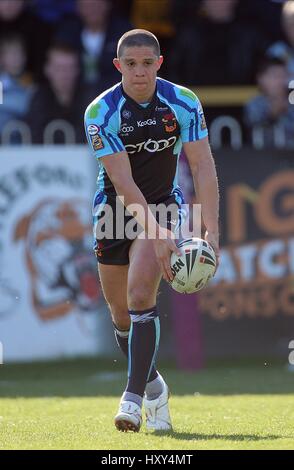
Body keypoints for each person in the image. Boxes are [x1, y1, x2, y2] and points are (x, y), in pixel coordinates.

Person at [84, 29, 219, 432]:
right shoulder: (100, 112)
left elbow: (202, 165)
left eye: (147, 63)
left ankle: (131, 400)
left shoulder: (183, 102)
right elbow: (123, 183)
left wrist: (211, 230)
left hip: (163, 205)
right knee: (120, 314)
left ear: (159, 63)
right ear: (118, 66)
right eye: (131, 64)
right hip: (114, 211)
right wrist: (154, 232)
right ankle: (156, 386)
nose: (139, 72)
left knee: (141, 294)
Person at [244, 57, 294, 149]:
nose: (280, 82)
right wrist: (273, 113)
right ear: (261, 79)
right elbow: (253, 121)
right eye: (275, 76)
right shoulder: (254, 104)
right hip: (263, 157)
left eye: (284, 76)